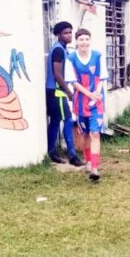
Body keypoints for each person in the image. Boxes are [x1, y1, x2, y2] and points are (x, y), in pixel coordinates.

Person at [65, 28, 106, 182]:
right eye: (81, 39)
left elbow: (102, 78)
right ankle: (88, 160)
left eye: (87, 39)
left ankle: (95, 168)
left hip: (96, 102)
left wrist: (96, 94)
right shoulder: (70, 59)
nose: (84, 42)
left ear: (90, 40)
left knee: (95, 133)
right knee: (85, 134)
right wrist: (89, 94)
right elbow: (74, 83)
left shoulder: (98, 56)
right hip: (81, 103)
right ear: (77, 42)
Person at [45, 22, 84, 167]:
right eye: (66, 33)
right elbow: (57, 74)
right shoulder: (59, 50)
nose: (69, 35)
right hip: (56, 92)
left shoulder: (62, 49)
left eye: (70, 32)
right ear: (59, 34)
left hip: (54, 91)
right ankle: (72, 155)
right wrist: (68, 91)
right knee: (67, 119)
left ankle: (52, 152)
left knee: (55, 121)